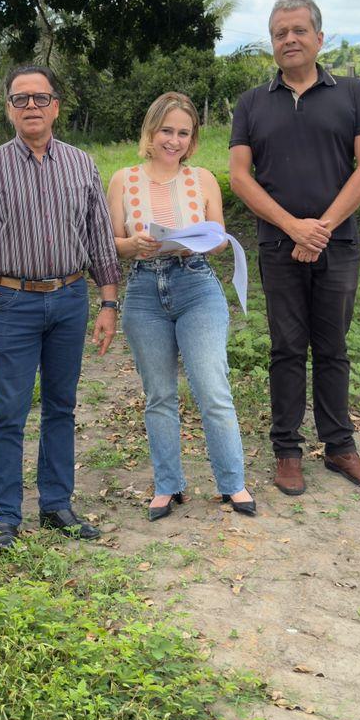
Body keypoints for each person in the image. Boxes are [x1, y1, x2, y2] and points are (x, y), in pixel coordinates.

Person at [0, 66, 120, 549]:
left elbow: (100, 243)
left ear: (56, 107)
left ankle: (56, 505)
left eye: (40, 98)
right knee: (9, 410)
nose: (31, 107)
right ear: (8, 108)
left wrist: (108, 303)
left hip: (70, 298)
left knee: (61, 406)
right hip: (13, 301)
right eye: (20, 99)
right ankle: (4, 514)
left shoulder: (82, 165)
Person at [229, 0, 360, 496]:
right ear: (271, 43)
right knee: (287, 349)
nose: (289, 40)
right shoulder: (252, 103)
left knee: (333, 348)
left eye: (298, 30)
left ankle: (340, 447)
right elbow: (239, 177)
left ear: (320, 37)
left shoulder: (353, 92)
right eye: (279, 33)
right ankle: (287, 451)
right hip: (278, 247)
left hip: (338, 246)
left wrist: (322, 227)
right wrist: (294, 228)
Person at [106, 93, 255, 521]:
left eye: (183, 133)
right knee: (159, 394)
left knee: (212, 388)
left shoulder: (203, 179)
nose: (173, 140)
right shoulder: (123, 180)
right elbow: (110, 243)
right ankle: (168, 485)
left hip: (196, 286)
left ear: (192, 140)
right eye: (166, 130)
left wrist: (206, 241)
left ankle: (233, 483)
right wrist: (133, 245)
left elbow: (219, 236)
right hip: (144, 291)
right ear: (150, 133)